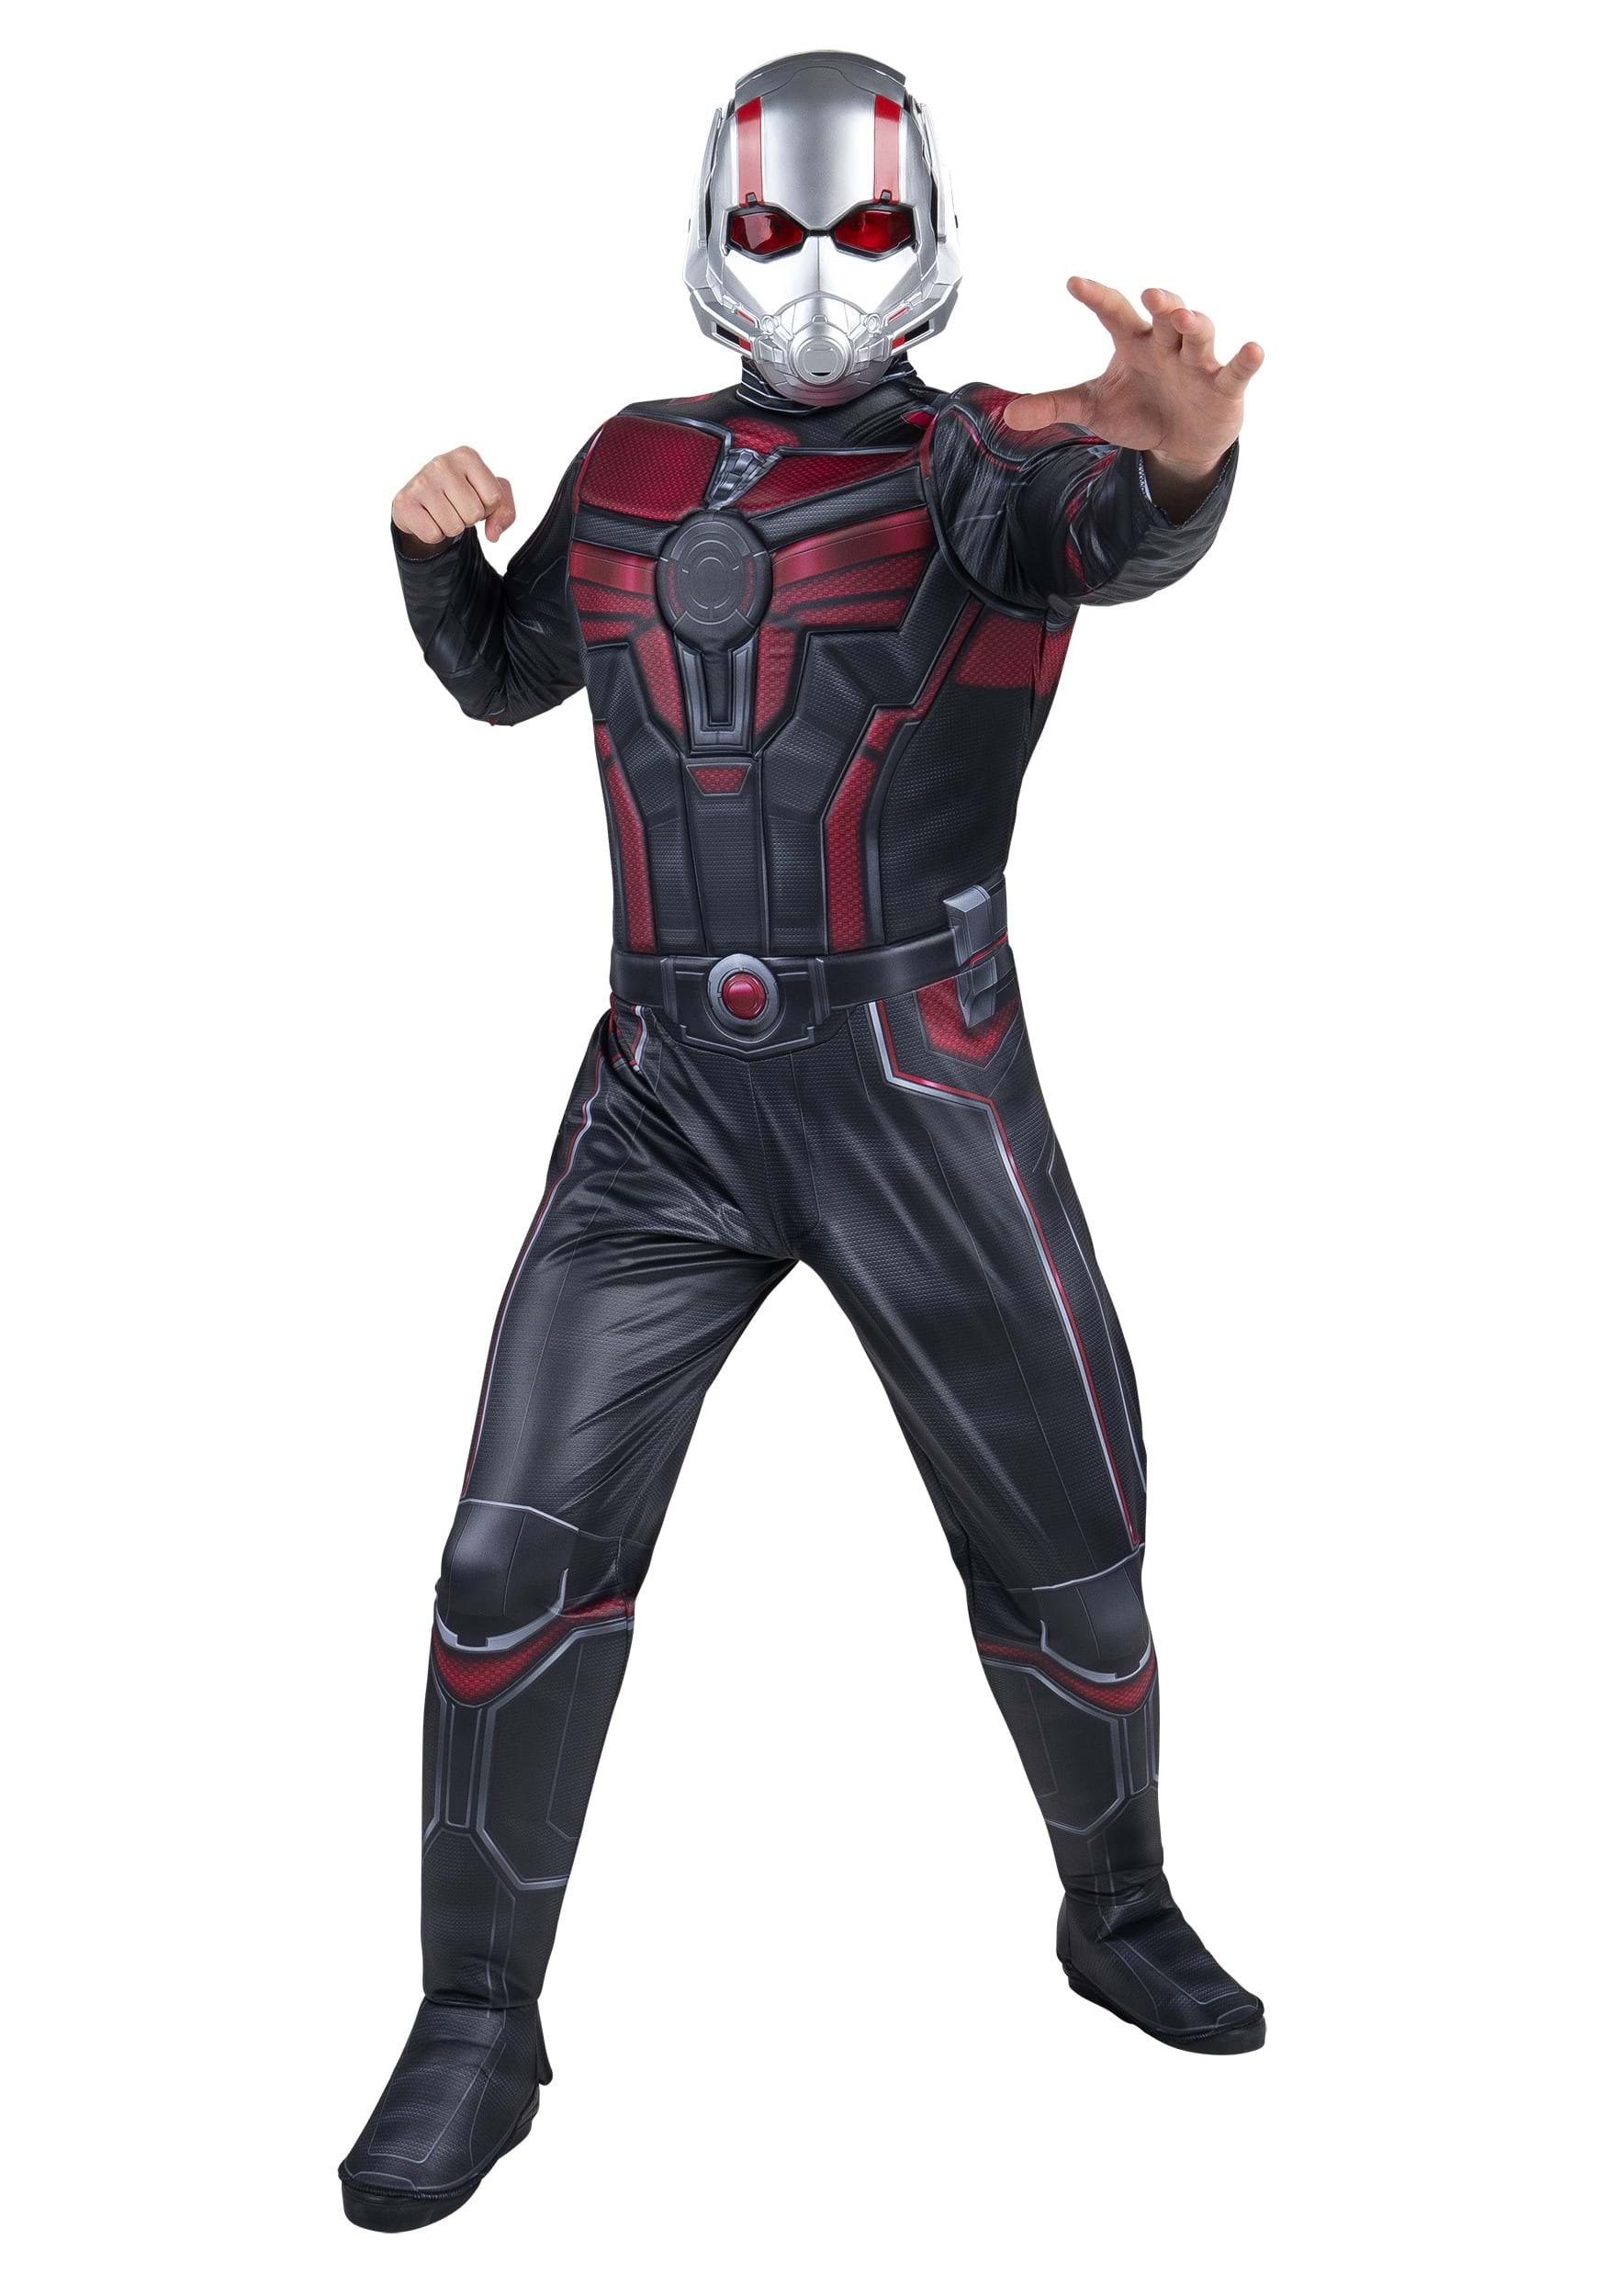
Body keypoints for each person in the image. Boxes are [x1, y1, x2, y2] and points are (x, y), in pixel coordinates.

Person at [342, 49, 1266, 2233]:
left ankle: (1115, 1902)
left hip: (913, 1084)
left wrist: (1180, 460)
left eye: (863, 230)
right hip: (663, 1097)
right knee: (507, 1563)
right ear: (709, 233)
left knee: (1068, 1537)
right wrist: (431, 554)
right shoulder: (633, 462)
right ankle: (476, 2019)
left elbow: (1102, 529)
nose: (821, 275)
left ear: (927, 237)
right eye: (776, 230)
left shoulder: (984, 461)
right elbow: (509, 670)